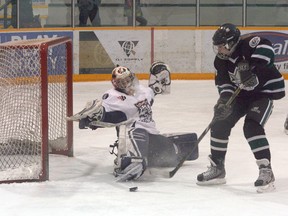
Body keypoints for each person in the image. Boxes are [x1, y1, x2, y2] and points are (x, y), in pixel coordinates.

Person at [68, 62, 198, 181]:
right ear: (115, 84)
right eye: (121, 82)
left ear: (132, 77)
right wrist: (95, 117)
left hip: (152, 139)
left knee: (173, 154)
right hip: (133, 140)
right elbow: (115, 116)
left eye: (127, 79)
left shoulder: (144, 91)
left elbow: (155, 90)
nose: (125, 83)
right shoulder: (112, 96)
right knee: (135, 129)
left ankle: (141, 159)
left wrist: (160, 76)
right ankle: (131, 161)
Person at [196, 23, 285, 192]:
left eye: (222, 46)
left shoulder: (249, 44)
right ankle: (218, 168)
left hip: (262, 94)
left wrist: (254, 70)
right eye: (218, 47)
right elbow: (224, 84)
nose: (220, 50)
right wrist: (223, 102)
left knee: (251, 126)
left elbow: (267, 50)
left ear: (232, 42)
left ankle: (266, 170)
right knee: (219, 122)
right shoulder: (220, 61)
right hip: (240, 96)